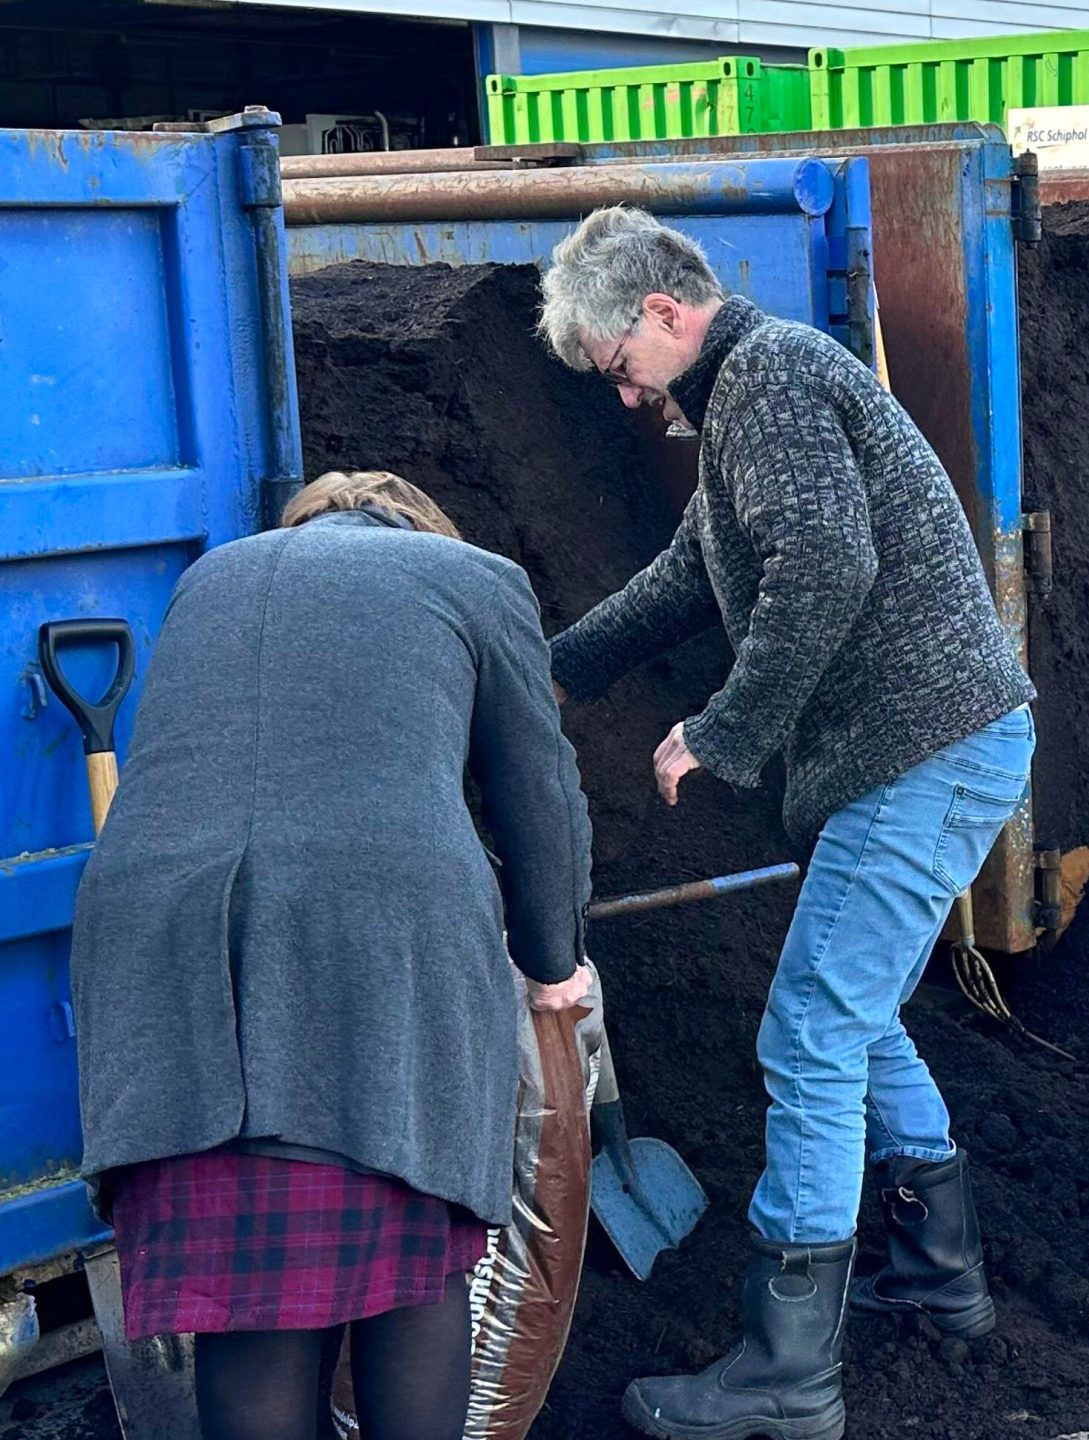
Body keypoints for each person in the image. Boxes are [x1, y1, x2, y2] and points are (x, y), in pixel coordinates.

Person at [537, 207, 1036, 1440]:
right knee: (852, 1017)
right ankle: (937, 1271)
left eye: (614, 367)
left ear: (662, 313)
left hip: (920, 752)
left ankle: (787, 1372)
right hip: (929, 752)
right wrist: (549, 670)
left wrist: (724, 730)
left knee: (809, 1029)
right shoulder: (755, 394)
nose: (620, 396)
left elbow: (825, 569)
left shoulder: (769, 381)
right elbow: (684, 580)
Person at [70, 470, 594, 1440]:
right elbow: (540, 799)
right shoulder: (475, 578)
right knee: (414, 1264)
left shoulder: (211, 578)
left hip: (161, 959)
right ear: (422, 526)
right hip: (373, 959)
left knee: (246, 1301)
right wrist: (553, 961)